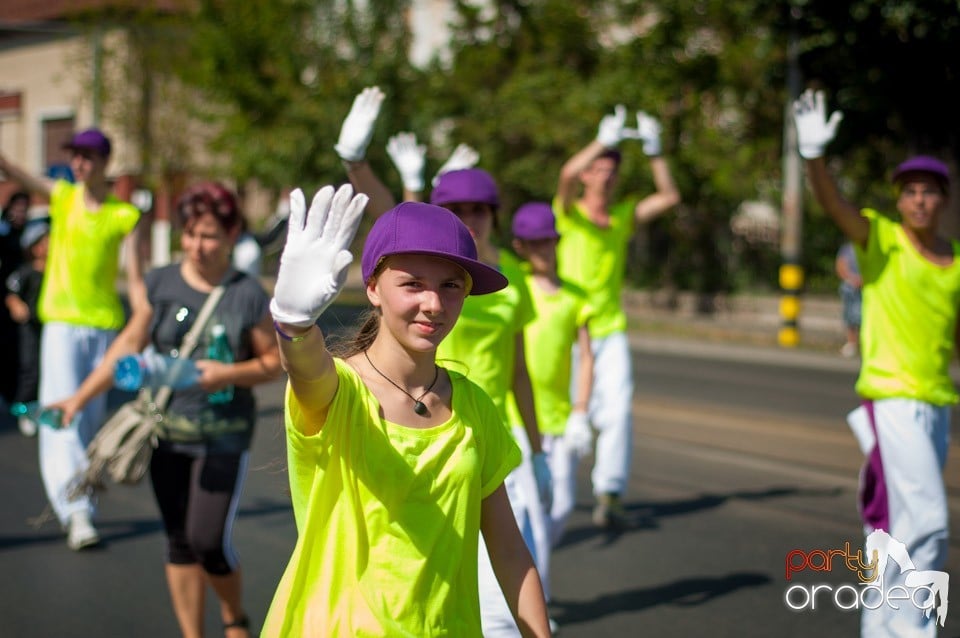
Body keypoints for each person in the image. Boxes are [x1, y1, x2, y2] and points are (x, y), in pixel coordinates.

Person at [262, 184, 551, 637]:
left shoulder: (474, 405)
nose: (433, 304)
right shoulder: (342, 392)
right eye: (412, 284)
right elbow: (306, 370)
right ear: (374, 288)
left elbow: (510, 550)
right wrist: (293, 325)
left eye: (450, 286)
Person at [333, 87, 553, 636]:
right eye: (455, 209)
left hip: (483, 435)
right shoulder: (347, 385)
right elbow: (396, 229)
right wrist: (356, 161)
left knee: (501, 589)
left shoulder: (515, 285)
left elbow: (520, 368)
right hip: (411, 419)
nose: (435, 303)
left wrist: (538, 444)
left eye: (477, 210)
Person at [54, 181, 281, 637]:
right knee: (178, 542)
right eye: (191, 233)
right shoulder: (161, 283)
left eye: (210, 235)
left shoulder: (246, 294)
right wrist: (80, 398)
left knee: (208, 542)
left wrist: (225, 374)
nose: (198, 246)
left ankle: (234, 617)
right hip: (165, 433)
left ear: (233, 234)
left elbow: (273, 363)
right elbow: (129, 345)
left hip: (223, 434)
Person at [793, 87, 958, 638]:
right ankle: (913, 632)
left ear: (943, 201)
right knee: (930, 523)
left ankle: (880, 628)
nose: (918, 201)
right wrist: (814, 157)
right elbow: (834, 205)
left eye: (929, 192)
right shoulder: (881, 240)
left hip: (935, 406)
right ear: (899, 200)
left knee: (898, 530)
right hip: (892, 401)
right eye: (909, 192)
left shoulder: (955, 264)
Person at [0, 128, 143, 550]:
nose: (79, 164)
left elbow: (134, 278)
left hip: (103, 327)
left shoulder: (124, 215)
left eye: (87, 157)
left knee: (90, 421)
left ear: (104, 162)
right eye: (75, 156)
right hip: (62, 323)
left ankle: (81, 503)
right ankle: (77, 512)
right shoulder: (63, 197)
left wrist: (144, 314)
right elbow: (22, 176)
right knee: (61, 415)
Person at [554, 104, 681, 528]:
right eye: (599, 166)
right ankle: (553, 486)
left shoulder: (622, 216)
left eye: (611, 167)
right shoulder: (568, 214)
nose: (605, 173)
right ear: (589, 173)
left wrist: (656, 150)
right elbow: (567, 176)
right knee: (569, 410)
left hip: (610, 326)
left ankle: (610, 491)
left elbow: (668, 197)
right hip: (570, 327)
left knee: (620, 409)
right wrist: (603, 142)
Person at [510, 202, 595, 548]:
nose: (541, 250)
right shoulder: (515, 287)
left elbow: (587, 357)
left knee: (560, 506)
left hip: (559, 420)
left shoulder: (576, 298)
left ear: (556, 242)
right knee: (524, 511)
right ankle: (529, 588)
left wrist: (581, 411)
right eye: (533, 244)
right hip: (519, 416)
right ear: (521, 248)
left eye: (546, 241)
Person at [5, 218, 50, 436]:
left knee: (48, 369)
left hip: (49, 327)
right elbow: (11, 293)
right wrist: (16, 305)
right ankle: (24, 409)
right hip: (29, 329)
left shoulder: (54, 273)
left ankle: (43, 409)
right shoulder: (25, 272)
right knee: (30, 368)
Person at [0, 190, 31, 405]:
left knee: (21, 351)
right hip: (5, 299)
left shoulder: (29, 234)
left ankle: (16, 396)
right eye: (16, 208)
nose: (20, 213)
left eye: (24, 209)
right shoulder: (4, 233)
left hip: (25, 298)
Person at [835, 241, 862, 358]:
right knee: (851, 317)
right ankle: (852, 343)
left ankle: (864, 344)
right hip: (851, 288)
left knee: (865, 318)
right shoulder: (847, 248)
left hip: (867, 288)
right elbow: (841, 266)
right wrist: (852, 278)